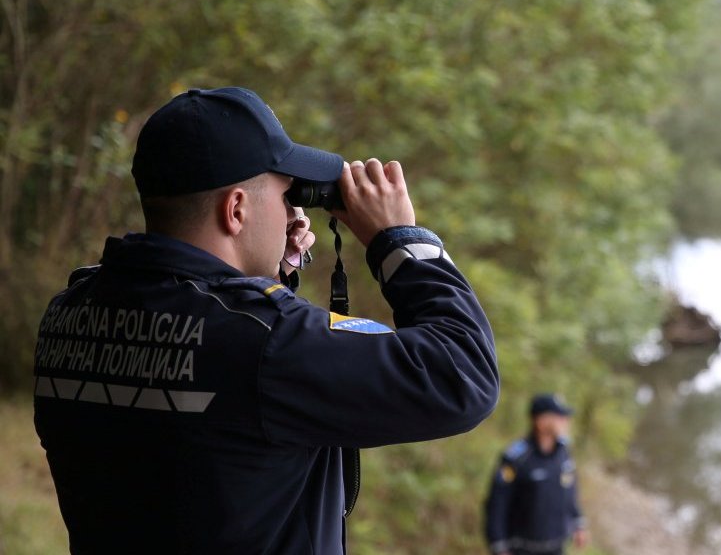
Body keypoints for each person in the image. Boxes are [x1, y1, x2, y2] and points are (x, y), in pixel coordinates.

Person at [32, 87, 500, 554]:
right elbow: (461, 375)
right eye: (285, 193)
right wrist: (399, 242)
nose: (294, 210)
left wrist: (259, 279)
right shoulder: (263, 344)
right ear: (236, 210)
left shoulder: (70, 312)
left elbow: (211, 384)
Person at [484, 394, 588, 555]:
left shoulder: (564, 453)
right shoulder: (517, 457)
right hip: (522, 548)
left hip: (556, 547)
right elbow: (497, 504)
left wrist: (578, 524)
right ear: (540, 421)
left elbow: (570, 491)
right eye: (559, 416)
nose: (566, 421)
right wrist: (498, 545)